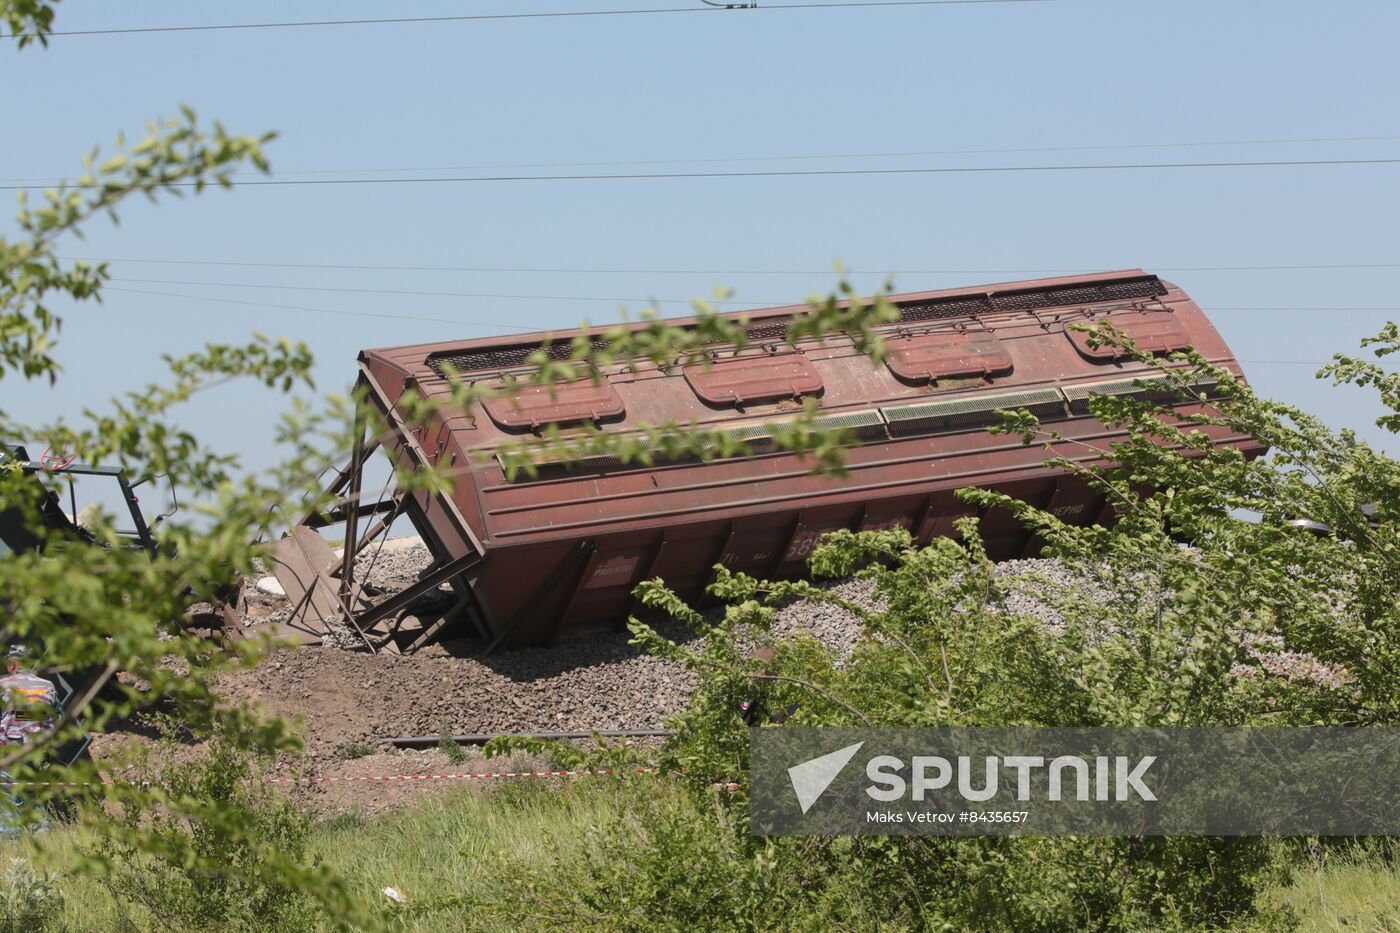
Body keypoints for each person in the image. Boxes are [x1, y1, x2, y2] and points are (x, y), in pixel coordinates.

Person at [0, 644, 57, 837]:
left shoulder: (3, 686)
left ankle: (10, 840)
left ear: (11, 665)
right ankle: (43, 836)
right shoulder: (47, 686)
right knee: (32, 793)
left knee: (7, 797)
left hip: (8, 751)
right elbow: (57, 717)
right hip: (36, 751)